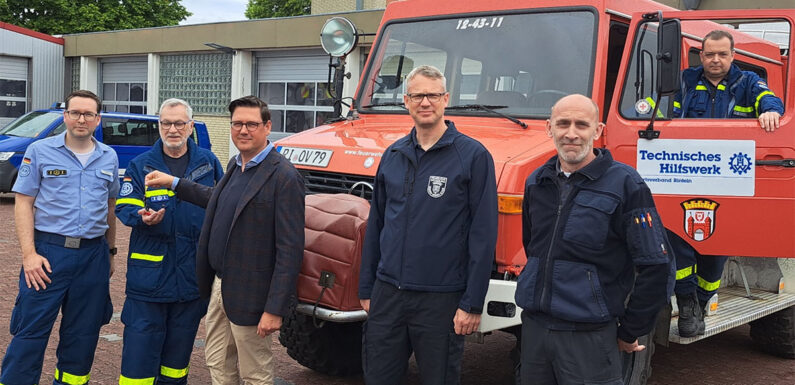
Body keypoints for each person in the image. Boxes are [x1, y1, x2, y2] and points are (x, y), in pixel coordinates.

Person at [144, 95, 305, 385]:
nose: (243, 130)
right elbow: (214, 198)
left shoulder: (284, 177)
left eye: (252, 124)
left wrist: (274, 309)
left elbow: (290, 249)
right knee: (218, 361)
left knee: (255, 372)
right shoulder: (236, 164)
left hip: (253, 294)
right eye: (238, 124)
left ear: (267, 127)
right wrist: (174, 183)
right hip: (221, 286)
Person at [515, 94, 674, 384]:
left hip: (589, 337)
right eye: (563, 124)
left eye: (581, 124)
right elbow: (534, 248)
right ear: (549, 128)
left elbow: (657, 266)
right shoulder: (536, 182)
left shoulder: (626, 184)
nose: (571, 133)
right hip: (535, 331)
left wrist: (630, 330)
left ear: (598, 130)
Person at [358, 65, 498, 385]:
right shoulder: (393, 155)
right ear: (406, 101)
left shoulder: (473, 157)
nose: (425, 102)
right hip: (388, 295)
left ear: (445, 99)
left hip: (441, 299)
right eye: (418, 96)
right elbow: (377, 223)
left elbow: (483, 234)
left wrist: (472, 303)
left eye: (433, 95)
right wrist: (367, 288)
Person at [671, 29, 785, 337]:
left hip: (726, 183)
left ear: (733, 56)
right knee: (676, 238)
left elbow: (769, 98)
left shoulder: (747, 82)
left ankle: (703, 299)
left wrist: (772, 112)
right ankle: (686, 301)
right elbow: (657, 108)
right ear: (701, 55)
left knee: (717, 245)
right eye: (710, 54)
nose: (716, 60)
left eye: (722, 54)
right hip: (685, 176)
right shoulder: (684, 80)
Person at [1, 90, 119, 385]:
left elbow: (110, 208)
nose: (81, 119)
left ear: (97, 119)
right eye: (75, 112)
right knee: (30, 332)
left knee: (83, 335)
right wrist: (29, 255)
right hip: (49, 255)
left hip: (93, 257)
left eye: (88, 114)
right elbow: (24, 202)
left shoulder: (109, 156)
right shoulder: (40, 151)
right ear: (65, 116)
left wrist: (110, 252)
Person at [115, 98, 223, 385]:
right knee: (138, 361)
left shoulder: (208, 162)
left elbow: (222, 205)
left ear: (190, 126)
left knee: (176, 364)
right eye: (166, 123)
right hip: (149, 280)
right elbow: (124, 205)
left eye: (178, 123)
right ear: (159, 125)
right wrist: (141, 216)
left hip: (190, 279)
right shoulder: (141, 165)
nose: (172, 129)